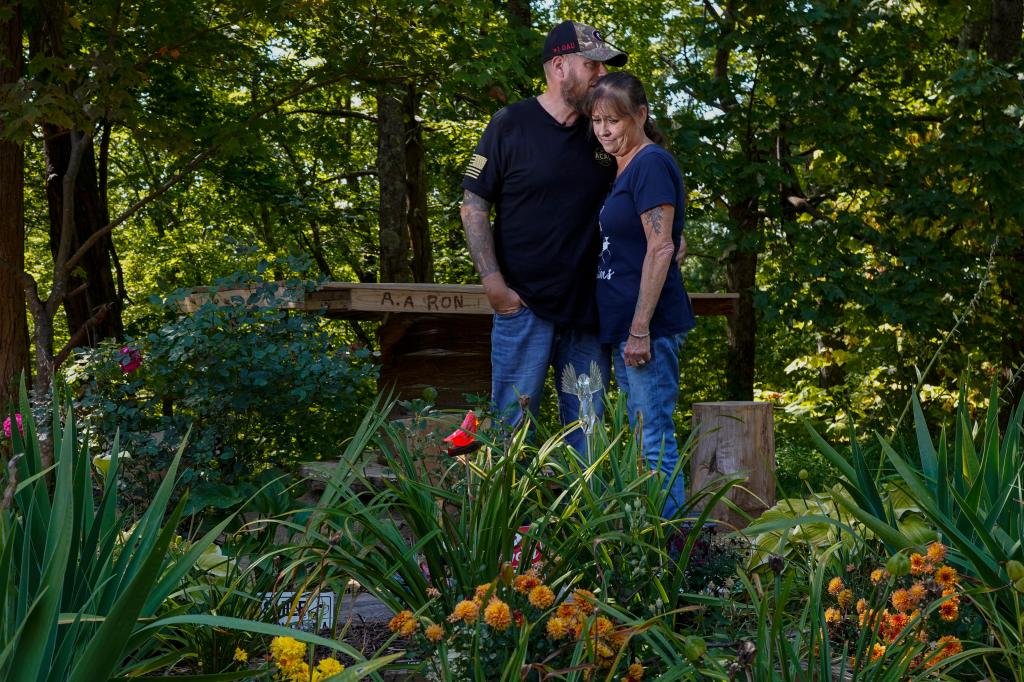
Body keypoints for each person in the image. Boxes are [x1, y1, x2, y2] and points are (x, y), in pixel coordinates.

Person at [459, 21, 627, 451]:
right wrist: (494, 285)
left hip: (589, 314)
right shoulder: (511, 123)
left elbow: (646, 182)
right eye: (592, 66)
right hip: (524, 306)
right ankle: (508, 520)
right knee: (511, 428)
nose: (601, 76)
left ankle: (588, 519)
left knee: (590, 433)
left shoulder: (604, 130)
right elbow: (473, 205)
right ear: (559, 66)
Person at [587, 72, 696, 519]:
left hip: (647, 329)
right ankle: (648, 556)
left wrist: (639, 330)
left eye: (614, 120)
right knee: (638, 443)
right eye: (596, 121)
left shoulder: (649, 163)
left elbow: (662, 246)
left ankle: (673, 560)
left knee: (654, 442)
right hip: (623, 327)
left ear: (642, 115)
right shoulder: (623, 169)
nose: (605, 130)